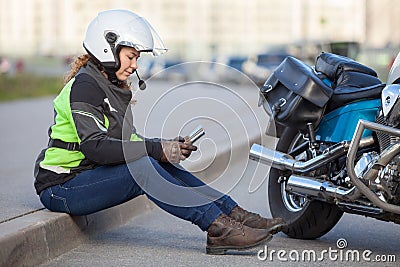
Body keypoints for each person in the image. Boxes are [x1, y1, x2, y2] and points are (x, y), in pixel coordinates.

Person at [33, 9, 286, 255]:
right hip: (61, 186)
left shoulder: (110, 87)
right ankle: (216, 227)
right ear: (107, 48)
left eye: (137, 58)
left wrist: (164, 146)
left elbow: (127, 142)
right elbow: (95, 147)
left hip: (88, 176)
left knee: (152, 159)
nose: (134, 65)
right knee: (141, 166)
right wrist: (155, 149)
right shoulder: (85, 86)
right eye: (131, 56)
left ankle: (235, 215)